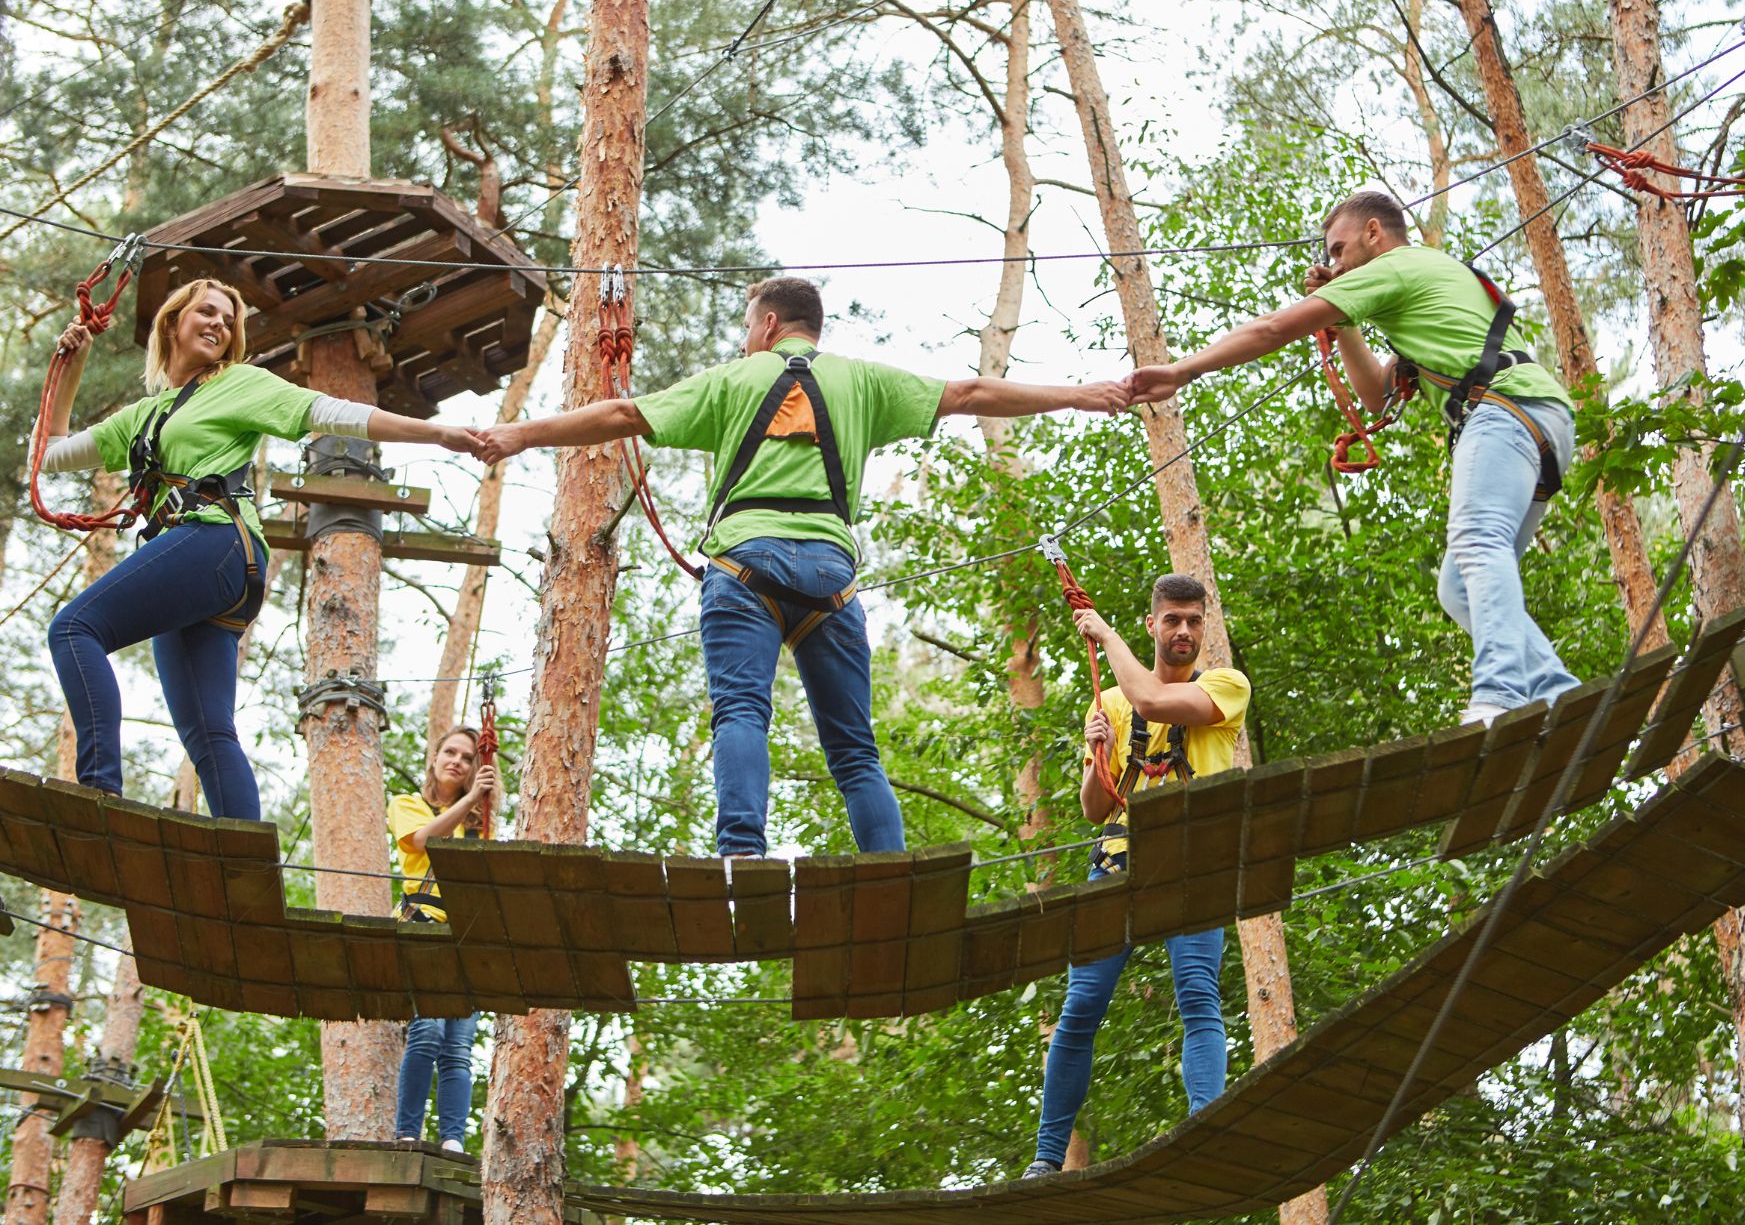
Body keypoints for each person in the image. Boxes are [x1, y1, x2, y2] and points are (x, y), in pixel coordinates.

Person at [471, 275, 1129, 857]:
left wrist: (519, 435)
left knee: (740, 714)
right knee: (853, 749)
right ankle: (890, 871)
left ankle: (742, 858)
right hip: (829, 575)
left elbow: (620, 413)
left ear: (767, 323)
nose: (744, 342)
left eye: (746, 328)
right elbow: (971, 391)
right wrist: (1077, 394)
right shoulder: (864, 380)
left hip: (744, 563)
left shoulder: (733, 379)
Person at [1124, 192, 1576, 725]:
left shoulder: (1397, 264)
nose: (1334, 264)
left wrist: (1183, 370)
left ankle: (1500, 693)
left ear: (1374, 234)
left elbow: (1273, 329)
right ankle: (1555, 689)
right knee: (1458, 586)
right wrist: (1348, 327)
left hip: (1506, 412)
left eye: (1339, 250)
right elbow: (1375, 396)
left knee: (1478, 542)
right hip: (1535, 420)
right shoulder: (1425, 281)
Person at [38, 276, 479, 821]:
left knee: (74, 628)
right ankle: (245, 868)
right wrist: (73, 366)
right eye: (207, 312)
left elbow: (329, 412)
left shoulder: (237, 383)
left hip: (214, 542)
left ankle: (99, 793)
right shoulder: (141, 418)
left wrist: (434, 434)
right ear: (173, 323)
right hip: (207, 565)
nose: (220, 325)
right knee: (208, 731)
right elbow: (50, 453)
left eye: (228, 321)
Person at [1023, 574, 1251, 1178]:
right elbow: (1095, 810)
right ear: (1154, 626)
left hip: (1191, 863)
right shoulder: (1112, 704)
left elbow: (1154, 703)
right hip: (1118, 859)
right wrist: (1098, 751)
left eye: (1193, 621)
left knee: (1198, 995)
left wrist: (1104, 632)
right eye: (1172, 620)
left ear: (1203, 629)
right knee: (1080, 1007)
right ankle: (1048, 1158)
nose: (1183, 631)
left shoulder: (1227, 687)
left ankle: (1205, 1131)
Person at [389, 723, 499, 1154]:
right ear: (434, 760)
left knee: (458, 1047)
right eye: (450, 753)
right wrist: (472, 799)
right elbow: (422, 840)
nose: (457, 761)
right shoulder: (407, 804)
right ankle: (407, 1133)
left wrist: (478, 806)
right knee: (428, 1031)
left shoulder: (478, 826)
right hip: (422, 926)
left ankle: (453, 1139)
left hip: (465, 937)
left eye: (468, 758)